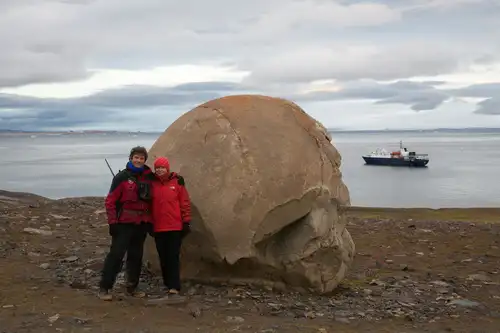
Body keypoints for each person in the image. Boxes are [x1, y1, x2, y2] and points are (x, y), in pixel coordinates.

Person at [99, 146, 154, 301]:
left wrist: (150, 222)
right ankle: (105, 287)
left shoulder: (148, 178)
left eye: (141, 158)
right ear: (130, 158)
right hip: (123, 224)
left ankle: (132, 287)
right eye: (136, 157)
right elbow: (110, 201)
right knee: (116, 255)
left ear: (144, 160)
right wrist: (113, 223)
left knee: (136, 257)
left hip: (141, 224)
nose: (138, 160)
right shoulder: (121, 177)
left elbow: (152, 203)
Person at [151, 156, 191, 297]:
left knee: (173, 256)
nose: (160, 170)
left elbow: (184, 202)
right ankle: (167, 283)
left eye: (162, 167)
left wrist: (186, 221)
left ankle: (174, 286)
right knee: (163, 256)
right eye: (157, 168)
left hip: (174, 226)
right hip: (158, 226)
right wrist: (149, 223)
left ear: (167, 168)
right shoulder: (152, 184)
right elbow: (147, 205)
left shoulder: (177, 182)